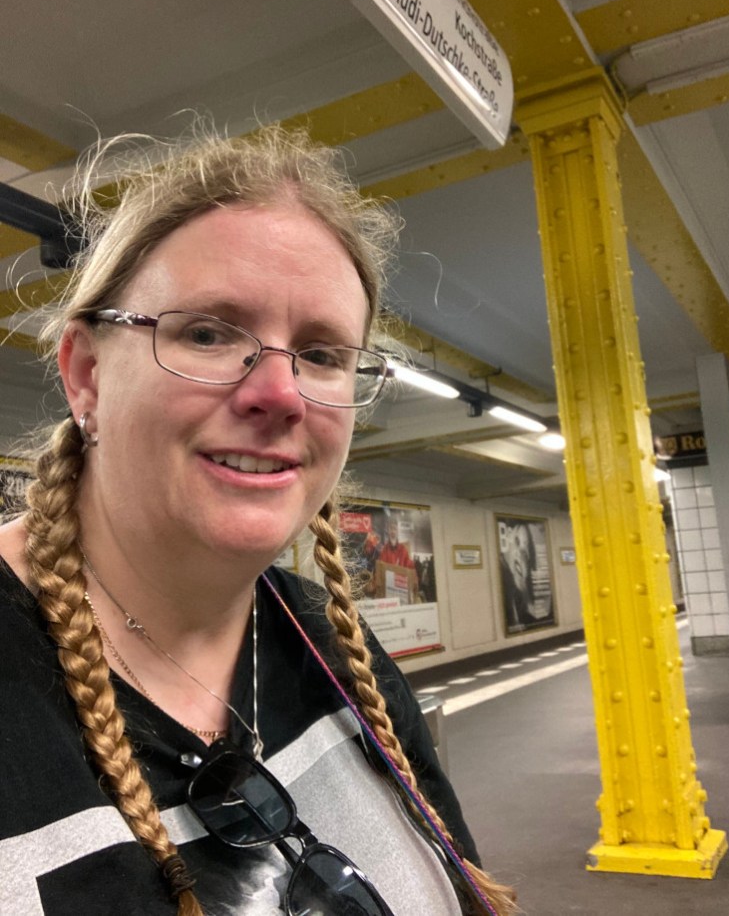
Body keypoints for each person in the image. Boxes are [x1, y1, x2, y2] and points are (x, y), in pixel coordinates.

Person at [0, 127, 516, 915]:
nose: (280, 393)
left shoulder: (334, 647)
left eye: (321, 353)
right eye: (207, 332)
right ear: (87, 375)